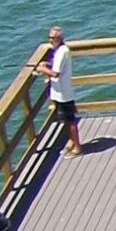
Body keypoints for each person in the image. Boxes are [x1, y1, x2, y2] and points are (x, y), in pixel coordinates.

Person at [36, 26, 81, 156]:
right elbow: (55, 67)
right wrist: (47, 65)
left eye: (53, 38)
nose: (50, 40)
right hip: (58, 92)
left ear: (59, 38)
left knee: (70, 120)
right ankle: (72, 143)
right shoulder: (57, 50)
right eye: (49, 37)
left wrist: (41, 69)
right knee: (65, 120)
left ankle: (77, 147)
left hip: (64, 93)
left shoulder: (62, 52)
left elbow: (56, 74)